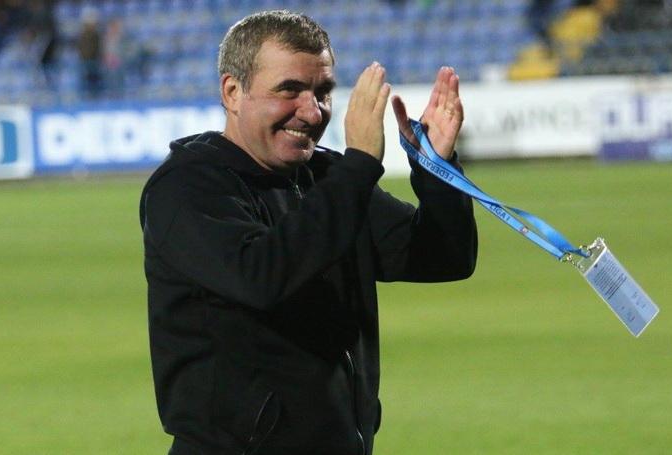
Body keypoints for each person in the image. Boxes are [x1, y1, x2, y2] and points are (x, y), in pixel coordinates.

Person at [139, 10, 477, 455]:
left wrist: (436, 170)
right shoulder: (187, 187)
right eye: (289, 90)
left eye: (323, 92)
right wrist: (359, 165)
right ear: (233, 92)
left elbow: (443, 257)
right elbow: (261, 277)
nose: (312, 111)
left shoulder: (327, 178)